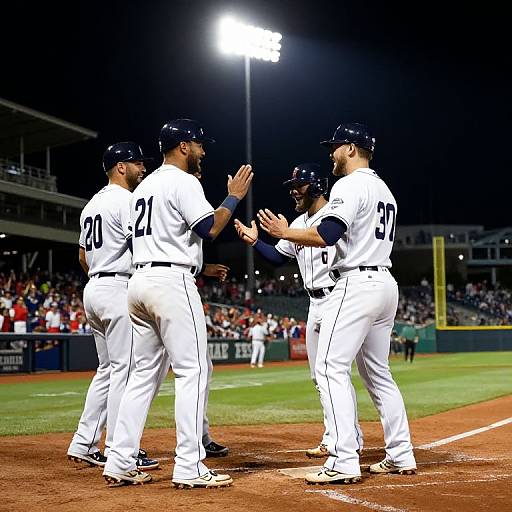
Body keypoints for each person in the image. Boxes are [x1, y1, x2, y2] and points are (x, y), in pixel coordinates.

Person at [257, 122, 416, 484]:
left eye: (336, 146)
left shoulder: (349, 184)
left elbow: (327, 235)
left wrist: (285, 233)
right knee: (378, 374)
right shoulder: (384, 189)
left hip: (356, 282)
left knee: (329, 367)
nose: (331, 153)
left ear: (352, 149)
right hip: (385, 284)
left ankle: (344, 459)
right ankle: (401, 453)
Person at [103, 118, 253, 488]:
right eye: (199, 145)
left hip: (138, 282)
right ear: (183, 146)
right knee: (194, 371)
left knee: (141, 376)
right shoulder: (182, 181)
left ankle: (119, 460)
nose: (203, 152)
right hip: (171, 282)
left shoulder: (143, 187)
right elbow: (210, 229)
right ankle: (189, 464)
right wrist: (233, 196)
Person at [235, 162, 363, 458]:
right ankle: (335, 435)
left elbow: (331, 238)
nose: (293, 191)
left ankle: (347, 439)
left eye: (299, 185)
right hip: (314, 302)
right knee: (321, 377)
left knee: (334, 372)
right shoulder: (296, 224)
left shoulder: (335, 216)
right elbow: (278, 259)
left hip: (339, 296)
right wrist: (256, 242)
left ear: (317, 186)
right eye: (292, 187)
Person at [67, 142, 158, 471]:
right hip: (118, 285)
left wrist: (101, 275)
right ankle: (123, 449)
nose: (142, 168)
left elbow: (81, 257)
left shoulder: (91, 205)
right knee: (126, 371)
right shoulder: (127, 200)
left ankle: (84, 442)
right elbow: (142, 242)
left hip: (93, 287)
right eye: (136, 163)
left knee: (107, 370)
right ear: (121, 167)